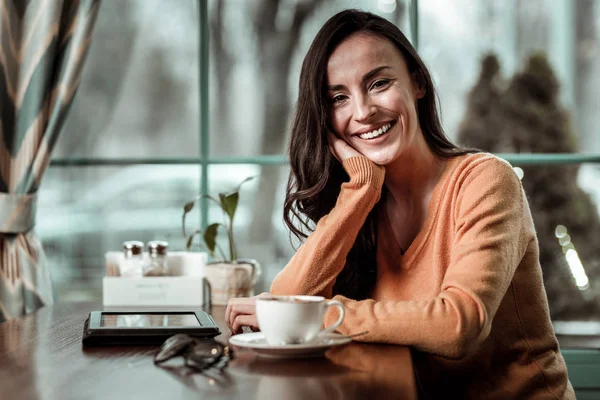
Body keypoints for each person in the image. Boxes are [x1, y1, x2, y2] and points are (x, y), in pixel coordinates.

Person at [226, 9, 574, 399]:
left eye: (378, 83)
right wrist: (358, 194)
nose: (362, 112)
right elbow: (289, 296)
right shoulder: (364, 201)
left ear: (418, 82)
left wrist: (319, 315)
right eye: (339, 98)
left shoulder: (486, 180)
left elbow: (461, 323)